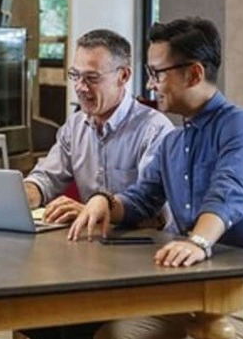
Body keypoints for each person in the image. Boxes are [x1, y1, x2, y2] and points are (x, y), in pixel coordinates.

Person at [65, 17, 243, 339]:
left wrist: (199, 241)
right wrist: (104, 202)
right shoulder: (173, 142)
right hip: (195, 292)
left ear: (194, 74)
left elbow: (230, 192)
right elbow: (142, 200)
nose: (149, 85)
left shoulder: (240, 125)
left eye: (158, 73)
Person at [24, 29, 173, 224]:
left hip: (143, 245)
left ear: (123, 76)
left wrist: (92, 211)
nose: (80, 87)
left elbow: (154, 212)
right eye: (75, 75)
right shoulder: (75, 125)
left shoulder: (155, 130)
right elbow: (47, 178)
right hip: (91, 242)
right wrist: (25, 194)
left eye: (91, 78)